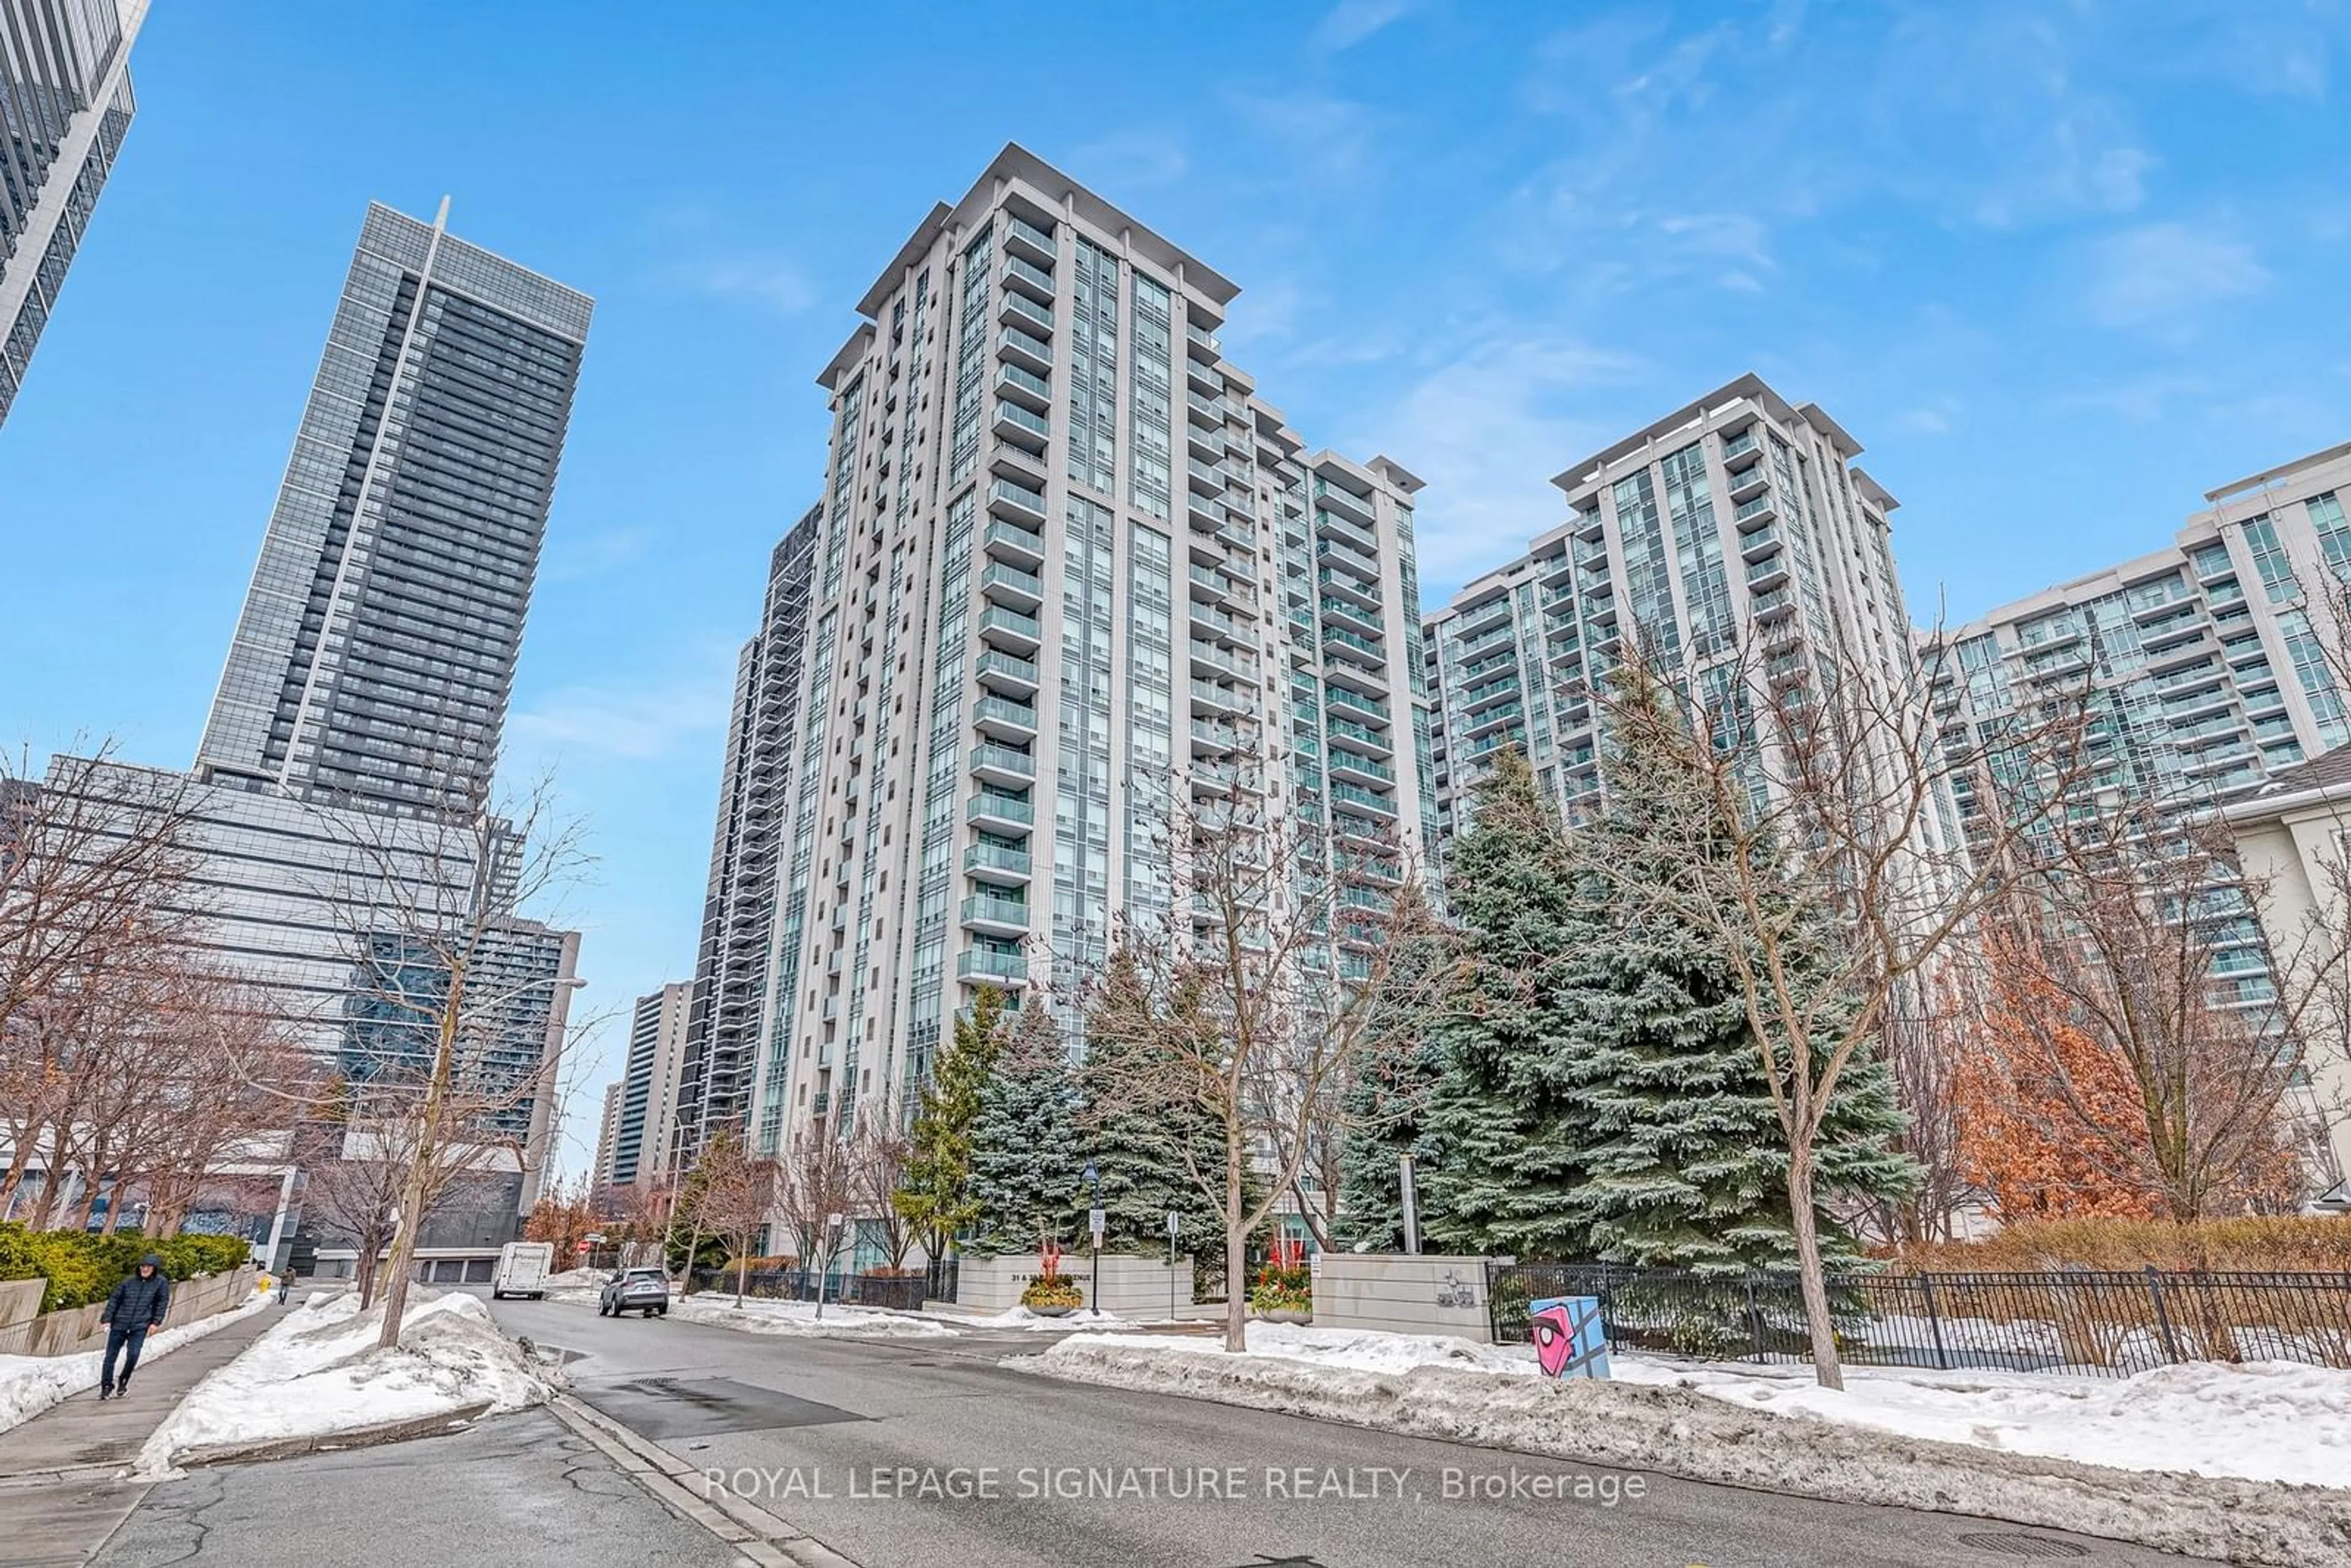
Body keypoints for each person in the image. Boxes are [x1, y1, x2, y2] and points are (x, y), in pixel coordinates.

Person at [97, 1253, 171, 1401]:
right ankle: (106, 1386)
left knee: (133, 1354)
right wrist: (107, 1319)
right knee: (110, 1356)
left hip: (140, 1326)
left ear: (154, 1269)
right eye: (143, 1266)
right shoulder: (129, 1282)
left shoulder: (160, 1283)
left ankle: (124, 1379)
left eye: (148, 1267)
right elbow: (115, 1300)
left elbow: (161, 1303)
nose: (145, 1269)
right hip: (120, 1323)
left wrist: (156, 1322)